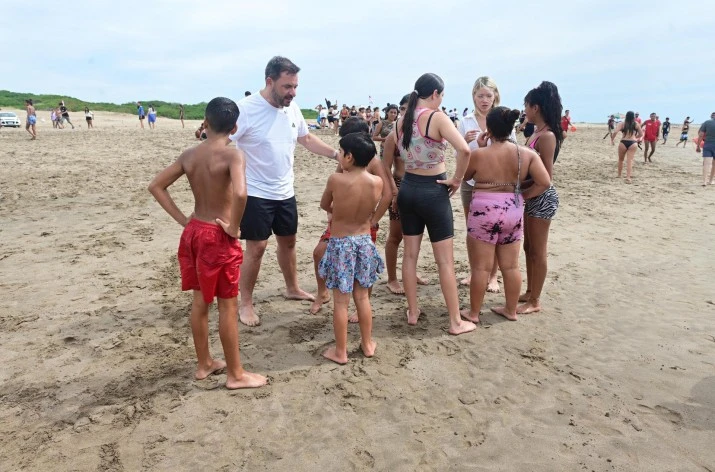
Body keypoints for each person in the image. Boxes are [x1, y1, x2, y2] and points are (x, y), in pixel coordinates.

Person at [147, 97, 267, 390]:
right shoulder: (233, 155)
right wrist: (235, 227)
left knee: (200, 300)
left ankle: (204, 363)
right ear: (235, 127)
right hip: (218, 234)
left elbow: (156, 185)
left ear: (206, 122)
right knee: (227, 305)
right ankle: (236, 375)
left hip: (195, 231)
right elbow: (241, 194)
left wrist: (183, 220)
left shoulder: (190, 155)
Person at [229, 56, 339, 326]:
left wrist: (336, 155)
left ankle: (292, 288)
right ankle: (245, 303)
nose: (293, 92)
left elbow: (305, 138)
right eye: (287, 86)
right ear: (270, 81)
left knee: (288, 242)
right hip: (255, 192)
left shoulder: (292, 109)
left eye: (295, 86)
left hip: (285, 190)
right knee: (256, 248)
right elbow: (223, 143)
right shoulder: (246, 109)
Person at [395, 73, 476, 335]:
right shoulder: (436, 117)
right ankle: (455, 321)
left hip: (407, 188)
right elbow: (465, 150)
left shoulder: (401, 121)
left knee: (409, 256)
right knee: (445, 262)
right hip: (433, 190)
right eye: (441, 96)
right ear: (435, 94)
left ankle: (413, 311)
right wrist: (457, 179)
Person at [461, 107, 551, 322]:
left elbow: (465, 177)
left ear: (488, 129)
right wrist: (525, 196)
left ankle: (473, 313)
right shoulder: (527, 154)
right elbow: (545, 182)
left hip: (484, 210)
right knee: (510, 266)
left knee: (480, 267)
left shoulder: (479, 154)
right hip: (512, 209)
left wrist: (481, 147)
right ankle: (510, 310)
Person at [309, 117, 392, 318]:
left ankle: (362, 304)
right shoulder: (345, 163)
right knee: (319, 252)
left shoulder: (373, 163)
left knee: (364, 267)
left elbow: (389, 193)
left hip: (362, 225)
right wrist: (330, 211)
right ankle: (322, 292)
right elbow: (336, 186)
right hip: (340, 222)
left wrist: (375, 219)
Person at [318, 132, 384, 364]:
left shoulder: (336, 180)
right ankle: (366, 344)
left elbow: (325, 204)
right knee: (363, 297)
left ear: (349, 157)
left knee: (341, 302)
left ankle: (341, 351)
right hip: (364, 242)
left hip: (341, 243)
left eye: (341, 152)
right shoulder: (377, 182)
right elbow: (376, 206)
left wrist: (338, 208)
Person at [457, 76, 513, 293]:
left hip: (497, 183)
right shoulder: (466, 121)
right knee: (473, 230)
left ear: (495, 96)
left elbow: (511, 147)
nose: (484, 100)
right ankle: (474, 271)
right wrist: (465, 142)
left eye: (488, 95)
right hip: (471, 181)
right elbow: (458, 153)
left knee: (496, 230)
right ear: (473, 97)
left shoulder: (503, 118)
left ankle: (493, 276)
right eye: (480, 95)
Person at [518, 81, 564, 315]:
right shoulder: (536, 132)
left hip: (541, 197)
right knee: (528, 247)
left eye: (526, 105)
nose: (524, 109)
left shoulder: (547, 136)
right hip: (531, 196)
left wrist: (524, 194)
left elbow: (545, 176)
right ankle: (529, 290)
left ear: (535, 107)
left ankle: (535, 300)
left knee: (538, 250)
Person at [611, 111, 643, 183]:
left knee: (621, 160)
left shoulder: (622, 124)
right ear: (633, 117)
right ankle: (628, 177)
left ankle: (619, 175)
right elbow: (641, 134)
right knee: (630, 161)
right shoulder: (636, 124)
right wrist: (635, 137)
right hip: (633, 143)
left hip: (623, 142)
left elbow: (615, 131)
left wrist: (612, 139)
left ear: (626, 116)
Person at [698, 112, 715, 186]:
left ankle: (704, 181)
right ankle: (710, 181)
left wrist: (698, 145)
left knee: (706, 164)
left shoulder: (706, 122)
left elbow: (701, 135)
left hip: (708, 144)